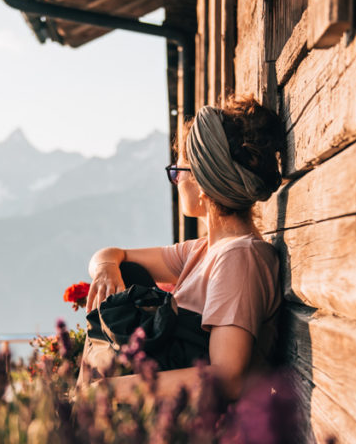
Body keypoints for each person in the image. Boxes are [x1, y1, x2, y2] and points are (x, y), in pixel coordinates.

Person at [79, 94, 284, 402]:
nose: (174, 179)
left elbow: (226, 377)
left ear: (202, 184)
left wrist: (106, 392)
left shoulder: (239, 257)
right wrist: (108, 269)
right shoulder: (201, 251)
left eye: (178, 172)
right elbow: (110, 255)